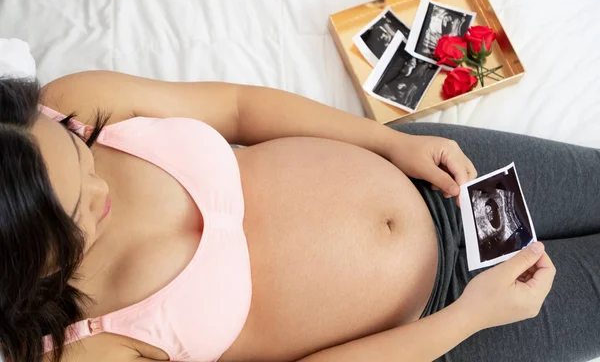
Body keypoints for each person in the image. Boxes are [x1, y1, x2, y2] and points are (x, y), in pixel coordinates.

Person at [0, 70, 599, 362]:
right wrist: (471, 317)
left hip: (440, 178)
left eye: (83, 155)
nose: (102, 184)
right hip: (443, 324)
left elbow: (236, 108)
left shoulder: (68, 105)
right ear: (28, 267)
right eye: (82, 210)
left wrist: (389, 143)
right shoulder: (79, 351)